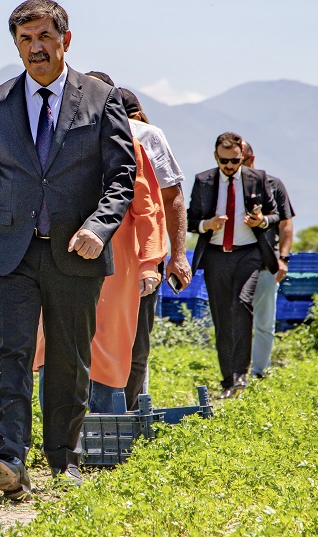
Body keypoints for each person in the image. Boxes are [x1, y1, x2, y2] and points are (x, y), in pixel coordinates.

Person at [0, 0, 136, 498]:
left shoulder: (101, 99)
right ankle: (10, 459)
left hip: (76, 253)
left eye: (43, 38)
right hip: (8, 253)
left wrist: (98, 228)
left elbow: (123, 178)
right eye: (25, 40)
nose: (35, 48)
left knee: (68, 356)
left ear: (65, 39)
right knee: (10, 352)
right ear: (16, 46)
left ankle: (64, 457)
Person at [33, 124, 166, 413]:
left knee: (107, 345)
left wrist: (148, 264)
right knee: (54, 339)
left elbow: (148, 212)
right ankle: (58, 437)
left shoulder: (127, 149)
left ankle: (104, 432)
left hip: (116, 269)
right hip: (57, 259)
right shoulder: (49, 140)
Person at [107, 84, 191, 407]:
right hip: (105, 256)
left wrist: (178, 254)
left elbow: (169, 198)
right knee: (119, 340)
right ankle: (105, 419)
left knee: (133, 339)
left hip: (142, 256)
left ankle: (126, 416)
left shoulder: (146, 135)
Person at [186, 132, 279, 399]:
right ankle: (228, 379)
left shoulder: (257, 179)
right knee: (222, 318)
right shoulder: (203, 181)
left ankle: (241, 373)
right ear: (216, 156)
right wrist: (208, 224)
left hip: (248, 254)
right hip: (215, 256)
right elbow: (191, 220)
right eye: (224, 161)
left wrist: (260, 221)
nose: (229, 166)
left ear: (243, 157)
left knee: (241, 304)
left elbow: (274, 216)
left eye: (235, 161)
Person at [241, 140, 295, 379]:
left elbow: (286, 224)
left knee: (263, 322)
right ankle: (235, 372)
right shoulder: (221, 189)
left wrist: (283, 258)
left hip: (265, 262)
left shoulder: (273, 185)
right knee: (235, 320)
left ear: (251, 160)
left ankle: (258, 372)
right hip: (233, 263)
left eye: (239, 161)